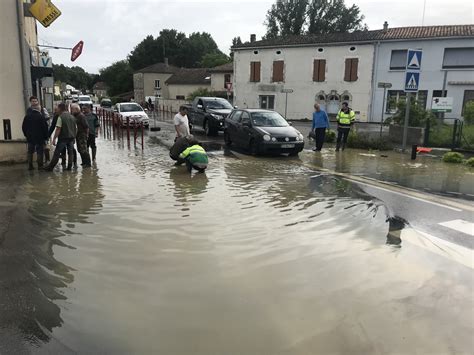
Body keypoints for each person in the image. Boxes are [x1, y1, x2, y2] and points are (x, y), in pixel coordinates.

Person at [44, 103, 77, 171]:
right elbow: (76, 128)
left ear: (60, 108)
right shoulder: (72, 116)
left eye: (57, 108)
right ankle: (69, 167)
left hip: (63, 138)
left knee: (57, 152)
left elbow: (58, 129)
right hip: (71, 137)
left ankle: (50, 167)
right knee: (70, 152)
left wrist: (54, 139)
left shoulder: (60, 117)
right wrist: (74, 137)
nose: (56, 110)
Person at [22, 97, 49, 170]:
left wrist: (26, 135)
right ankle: (40, 166)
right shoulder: (41, 117)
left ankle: (30, 165)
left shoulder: (27, 116)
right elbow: (45, 128)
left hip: (30, 137)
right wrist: (46, 137)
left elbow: (23, 127)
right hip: (40, 138)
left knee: (30, 151)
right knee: (39, 151)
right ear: (38, 109)